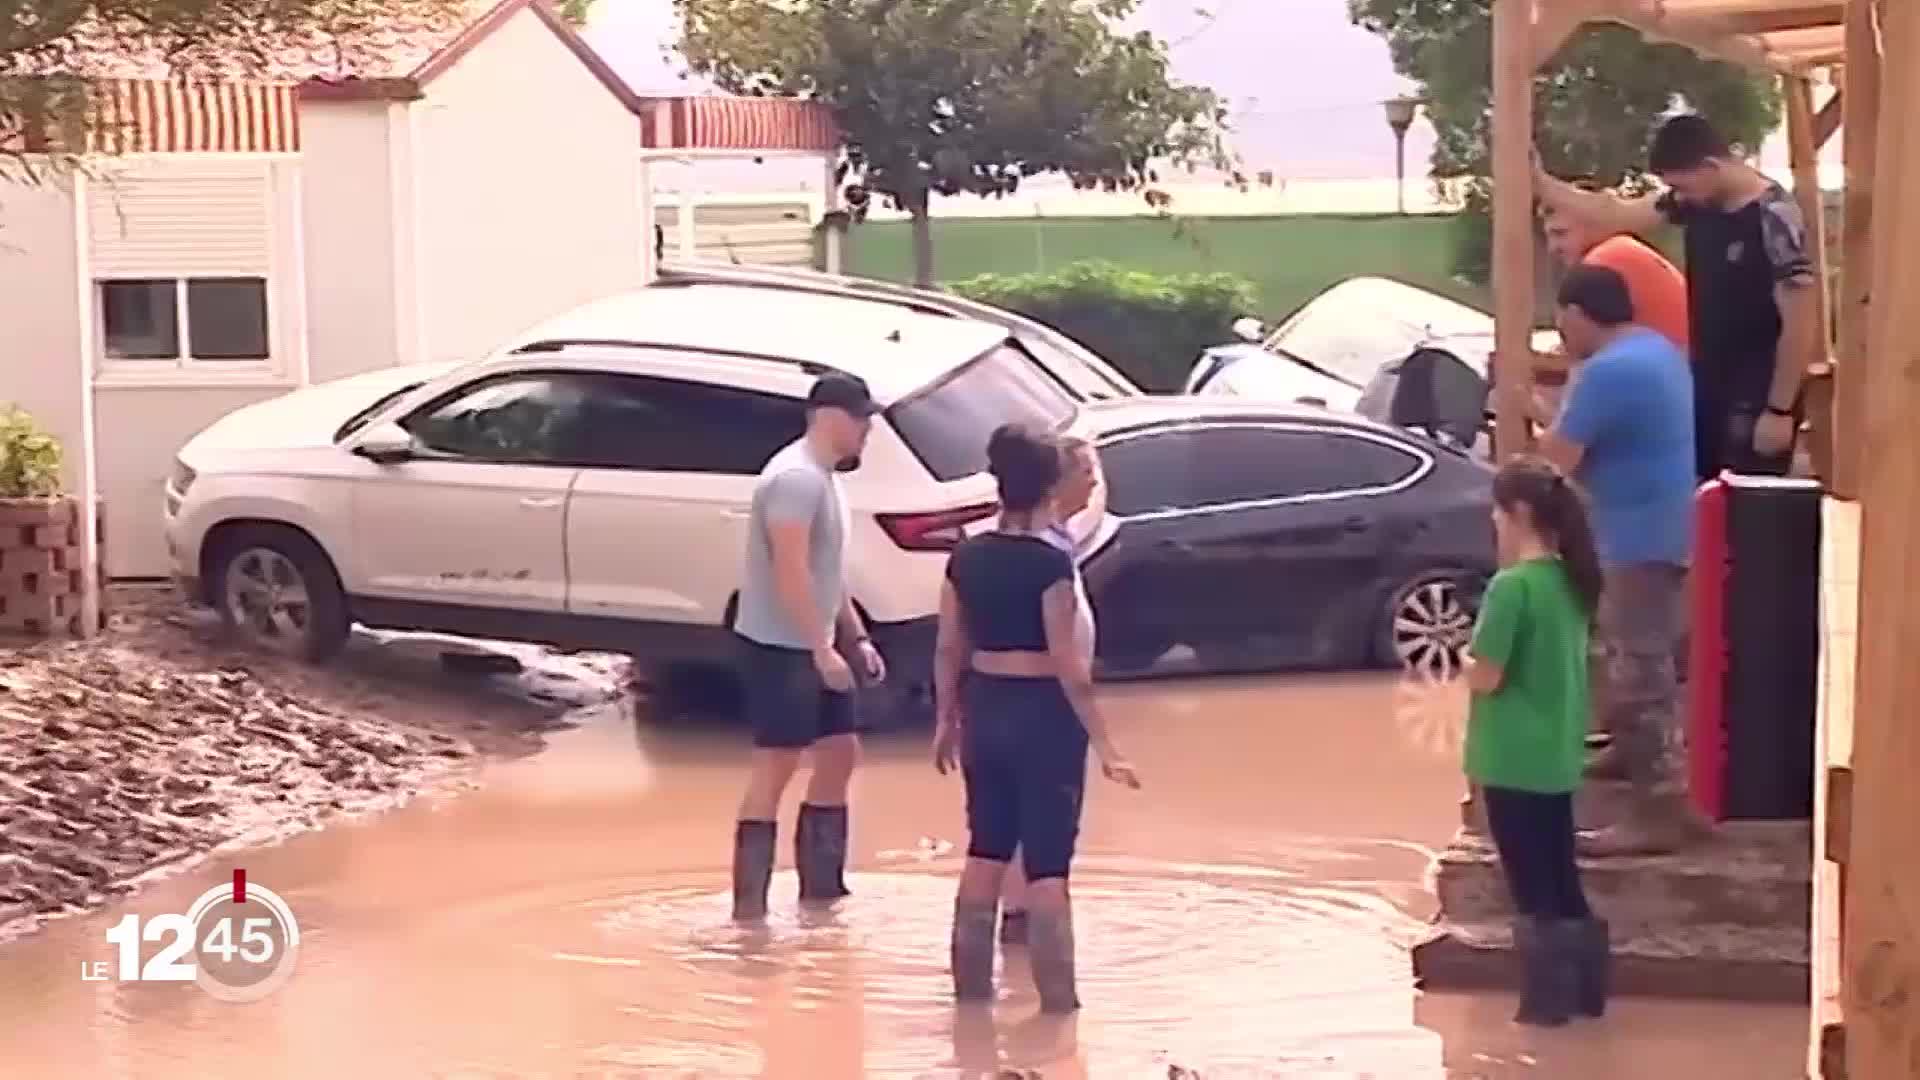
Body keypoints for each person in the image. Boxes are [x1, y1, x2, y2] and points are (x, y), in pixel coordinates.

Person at [934, 424, 1140, 1014]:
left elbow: (949, 647)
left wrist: (948, 719)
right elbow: (1067, 663)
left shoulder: (965, 557)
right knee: (1048, 866)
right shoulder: (1050, 562)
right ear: (1050, 485)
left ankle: (970, 1003)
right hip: (1044, 717)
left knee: (985, 851)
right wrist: (1107, 745)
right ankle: (1058, 1013)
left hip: (985, 709)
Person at [1535, 112, 1822, 480]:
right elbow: (1618, 214)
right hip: (1707, 381)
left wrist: (1779, 409)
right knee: (1703, 499)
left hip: (1757, 391)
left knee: (1749, 508)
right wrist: (1544, 185)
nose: (1680, 197)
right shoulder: (1695, 203)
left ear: (1710, 166)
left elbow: (1800, 317)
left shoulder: (1774, 217)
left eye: (1684, 187)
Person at [1538, 265, 1708, 857]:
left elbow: (1555, 462)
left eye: (1563, 323)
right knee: (1639, 656)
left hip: (1635, 539)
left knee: (1641, 672)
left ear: (1578, 314)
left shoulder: (1608, 374)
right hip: (1669, 526)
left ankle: (1659, 809)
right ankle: (1624, 752)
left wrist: (1530, 412)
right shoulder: (1657, 350)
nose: (1562, 336)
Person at [730, 373, 888, 922]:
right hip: (780, 644)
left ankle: (822, 892)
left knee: (841, 752)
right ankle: (749, 911)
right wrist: (821, 649)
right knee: (777, 764)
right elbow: (791, 571)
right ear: (830, 416)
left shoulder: (826, 478)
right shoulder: (795, 479)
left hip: (816, 641)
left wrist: (856, 635)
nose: (869, 429)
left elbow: (828, 572)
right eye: (863, 418)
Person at [1465, 456, 1611, 1027]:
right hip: (1555, 755)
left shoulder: (1511, 588)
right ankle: (1586, 997)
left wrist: (1462, 658)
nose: (1494, 525)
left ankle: (1545, 1008)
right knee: (1561, 877)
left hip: (1511, 757)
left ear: (1518, 514)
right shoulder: (1572, 582)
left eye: (1498, 514)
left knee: (1530, 887)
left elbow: (1488, 675)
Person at [995, 435, 1099, 948]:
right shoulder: (1047, 552)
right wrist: (1104, 737)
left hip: (1032, 700)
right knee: (1042, 832)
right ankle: (1031, 940)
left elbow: (1097, 506)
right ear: (1057, 483)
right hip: (1048, 700)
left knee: (1013, 830)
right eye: (1086, 472)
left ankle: (1018, 937)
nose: (1095, 482)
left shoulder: (1058, 538)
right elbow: (1061, 649)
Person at [1541, 204, 1690, 353]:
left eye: (1561, 234)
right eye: (1549, 236)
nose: (1552, 247)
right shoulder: (1623, 248)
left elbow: (1580, 343)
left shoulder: (1605, 261)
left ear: (1593, 227)